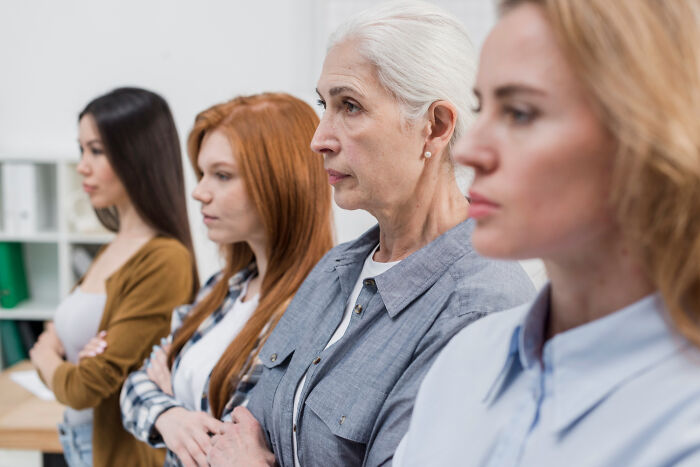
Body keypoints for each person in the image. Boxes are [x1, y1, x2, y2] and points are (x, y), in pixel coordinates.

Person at [206, 3, 536, 466]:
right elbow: (245, 419)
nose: (319, 138)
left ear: (435, 127)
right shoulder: (333, 271)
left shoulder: (481, 309)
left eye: (351, 106)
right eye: (326, 105)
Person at [394, 0, 700, 465]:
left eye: (519, 113)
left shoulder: (683, 423)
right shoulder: (466, 361)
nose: (469, 150)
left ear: (645, 136)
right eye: (483, 106)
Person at [119, 93, 334, 467]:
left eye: (222, 175)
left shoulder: (315, 311)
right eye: (202, 174)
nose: (199, 192)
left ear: (282, 183)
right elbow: (134, 385)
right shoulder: (225, 286)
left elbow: (226, 449)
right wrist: (170, 417)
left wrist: (165, 401)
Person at [28, 87, 198, 467]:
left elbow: (84, 387)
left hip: (115, 453)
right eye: (81, 150)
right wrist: (58, 360)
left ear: (138, 156)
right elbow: (63, 354)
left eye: (97, 151)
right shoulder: (112, 247)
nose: (81, 166)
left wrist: (45, 356)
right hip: (76, 439)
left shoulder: (164, 258)